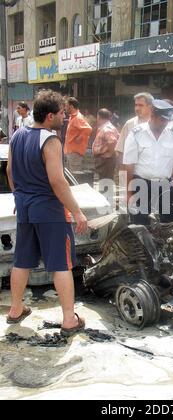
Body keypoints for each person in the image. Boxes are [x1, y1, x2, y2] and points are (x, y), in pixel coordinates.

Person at [6, 90, 87, 336]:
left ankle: (15, 310)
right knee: (61, 264)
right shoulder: (50, 140)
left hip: (25, 209)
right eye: (62, 113)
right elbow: (58, 182)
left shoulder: (17, 135)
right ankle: (69, 320)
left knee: (22, 261)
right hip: (51, 210)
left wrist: (20, 197)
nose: (64, 117)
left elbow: (10, 171)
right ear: (50, 115)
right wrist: (78, 212)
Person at [123, 99, 173, 225]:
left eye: (167, 120)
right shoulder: (136, 134)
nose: (165, 123)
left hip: (165, 184)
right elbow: (129, 166)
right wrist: (129, 193)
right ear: (152, 116)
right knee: (140, 223)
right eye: (162, 120)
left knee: (170, 222)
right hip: (141, 184)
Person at [115, 92, 154, 162]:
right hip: (132, 170)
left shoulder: (157, 124)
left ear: (150, 106)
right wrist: (122, 172)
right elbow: (120, 150)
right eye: (136, 105)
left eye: (141, 105)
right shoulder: (129, 124)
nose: (137, 108)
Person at [64, 97, 92, 173]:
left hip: (75, 152)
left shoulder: (77, 118)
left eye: (66, 105)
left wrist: (80, 137)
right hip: (71, 152)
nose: (65, 108)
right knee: (71, 175)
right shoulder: (73, 117)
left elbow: (88, 129)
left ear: (71, 106)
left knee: (75, 175)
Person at [92, 108, 119, 181]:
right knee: (104, 182)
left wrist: (110, 153)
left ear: (98, 116)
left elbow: (112, 141)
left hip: (106, 160)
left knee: (105, 183)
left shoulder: (106, 128)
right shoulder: (105, 127)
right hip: (104, 159)